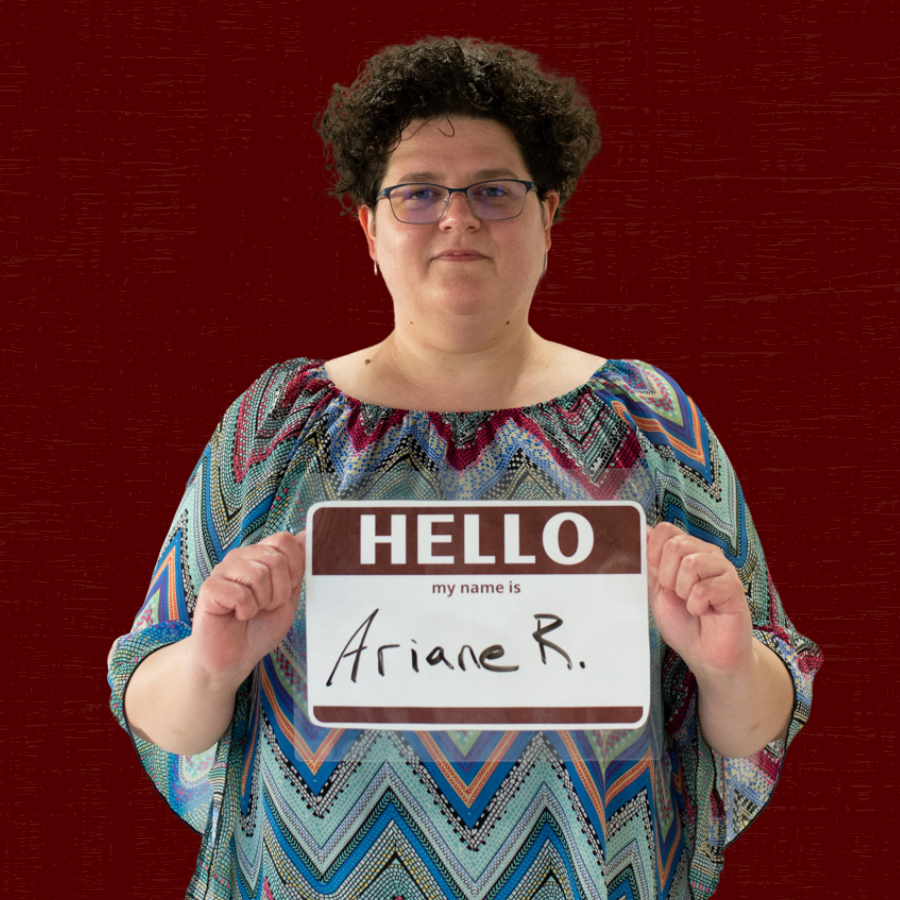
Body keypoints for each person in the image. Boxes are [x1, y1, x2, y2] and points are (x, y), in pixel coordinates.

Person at [107, 36, 822, 900]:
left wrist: (724, 662)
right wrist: (212, 665)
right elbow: (152, 690)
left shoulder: (648, 417)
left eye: (494, 190)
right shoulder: (278, 420)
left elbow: (759, 717)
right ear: (370, 229)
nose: (458, 217)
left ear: (548, 218)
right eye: (418, 194)